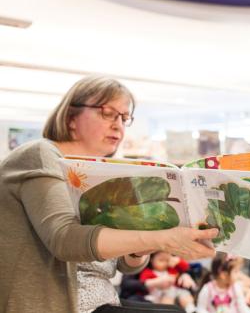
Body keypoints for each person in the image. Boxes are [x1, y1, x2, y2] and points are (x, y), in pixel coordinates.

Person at [0, 76, 218, 313]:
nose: (118, 125)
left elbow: (125, 265)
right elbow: (64, 239)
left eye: (124, 118)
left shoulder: (97, 170)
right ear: (71, 118)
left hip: (100, 300)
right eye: (107, 113)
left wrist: (141, 246)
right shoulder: (41, 154)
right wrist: (161, 239)